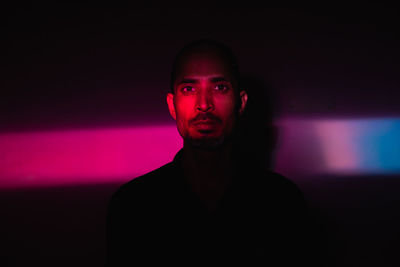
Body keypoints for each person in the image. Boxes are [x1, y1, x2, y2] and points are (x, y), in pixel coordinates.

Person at [106, 39, 311, 266]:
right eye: (189, 89)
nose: (204, 104)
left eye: (220, 87)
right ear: (172, 105)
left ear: (241, 103)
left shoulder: (283, 202)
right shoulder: (132, 207)